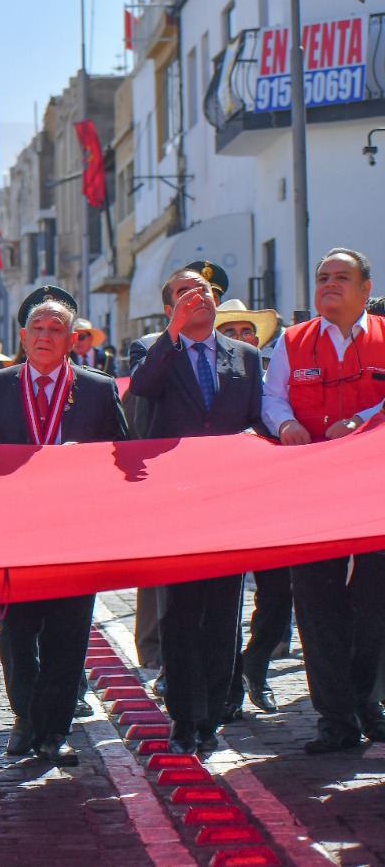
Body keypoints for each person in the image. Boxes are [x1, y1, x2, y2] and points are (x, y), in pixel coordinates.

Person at [0, 286, 127, 766]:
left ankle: (53, 732)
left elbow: (122, 454)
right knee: (15, 634)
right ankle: (25, 715)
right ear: (22, 337)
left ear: (71, 339)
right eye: (37, 328)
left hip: (75, 534)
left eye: (55, 329)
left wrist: (87, 460)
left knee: (67, 634)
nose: (45, 336)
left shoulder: (98, 388)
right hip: (14, 533)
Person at [129, 265, 266, 755]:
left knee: (223, 615)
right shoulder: (153, 349)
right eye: (185, 292)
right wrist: (172, 333)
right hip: (177, 505)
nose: (198, 297)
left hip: (228, 505)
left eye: (204, 290)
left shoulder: (245, 356)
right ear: (169, 308)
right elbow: (142, 388)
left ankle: (211, 717)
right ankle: (183, 718)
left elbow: (258, 419)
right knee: (181, 614)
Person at [262, 248, 385, 754]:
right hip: (310, 497)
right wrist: (286, 423)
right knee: (316, 603)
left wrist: (364, 421)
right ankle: (334, 718)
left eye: (341, 277)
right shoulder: (293, 342)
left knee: (376, 603)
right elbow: (271, 397)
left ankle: (367, 701)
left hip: (374, 494)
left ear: (365, 288)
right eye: (322, 277)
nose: (329, 284)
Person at [210, 299, 289, 715]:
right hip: (223, 501)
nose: (241, 338)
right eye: (231, 332)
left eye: (247, 331)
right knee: (225, 600)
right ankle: (228, 687)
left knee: (279, 594)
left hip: (272, 502)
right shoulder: (209, 379)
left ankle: (254, 664)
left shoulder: (278, 375)